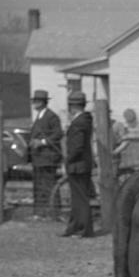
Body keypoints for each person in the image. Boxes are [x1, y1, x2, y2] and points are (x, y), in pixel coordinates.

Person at [60, 91, 94, 238]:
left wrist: (67, 159)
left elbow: (77, 146)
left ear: (72, 106)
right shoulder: (83, 120)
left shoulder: (79, 122)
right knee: (77, 198)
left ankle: (84, 229)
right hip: (81, 164)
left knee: (80, 198)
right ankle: (74, 227)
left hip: (77, 165)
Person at [28, 89, 63, 217]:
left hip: (48, 156)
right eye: (34, 101)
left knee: (49, 184)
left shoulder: (51, 116)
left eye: (37, 101)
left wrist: (42, 142)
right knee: (38, 185)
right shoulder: (39, 116)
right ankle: (40, 211)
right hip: (38, 157)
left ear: (43, 102)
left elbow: (58, 133)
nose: (35, 103)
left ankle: (54, 211)